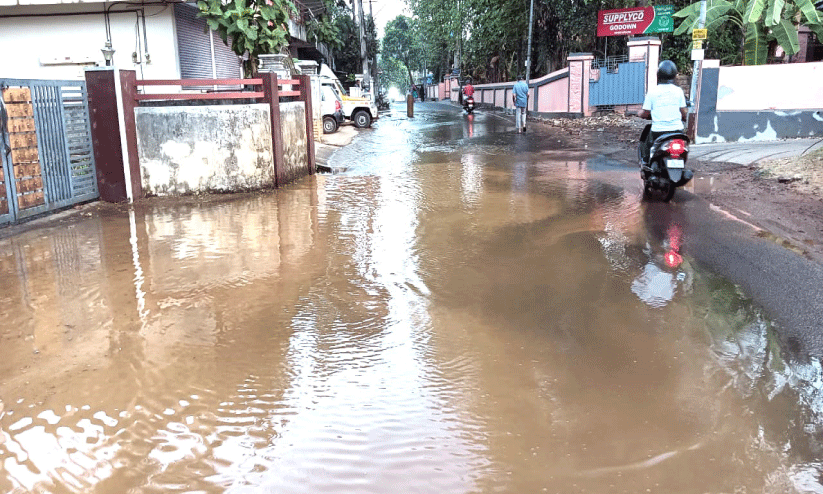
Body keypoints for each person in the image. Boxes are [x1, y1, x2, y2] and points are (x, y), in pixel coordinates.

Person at [638, 60, 687, 165]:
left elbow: (645, 113)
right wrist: (684, 118)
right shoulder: (678, 91)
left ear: (659, 75)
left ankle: (645, 162)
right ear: (674, 75)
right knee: (684, 146)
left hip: (658, 132)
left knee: (646, 144)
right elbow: (683, 111)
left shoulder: (653, 92)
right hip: (677, 130)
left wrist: (639, 114)